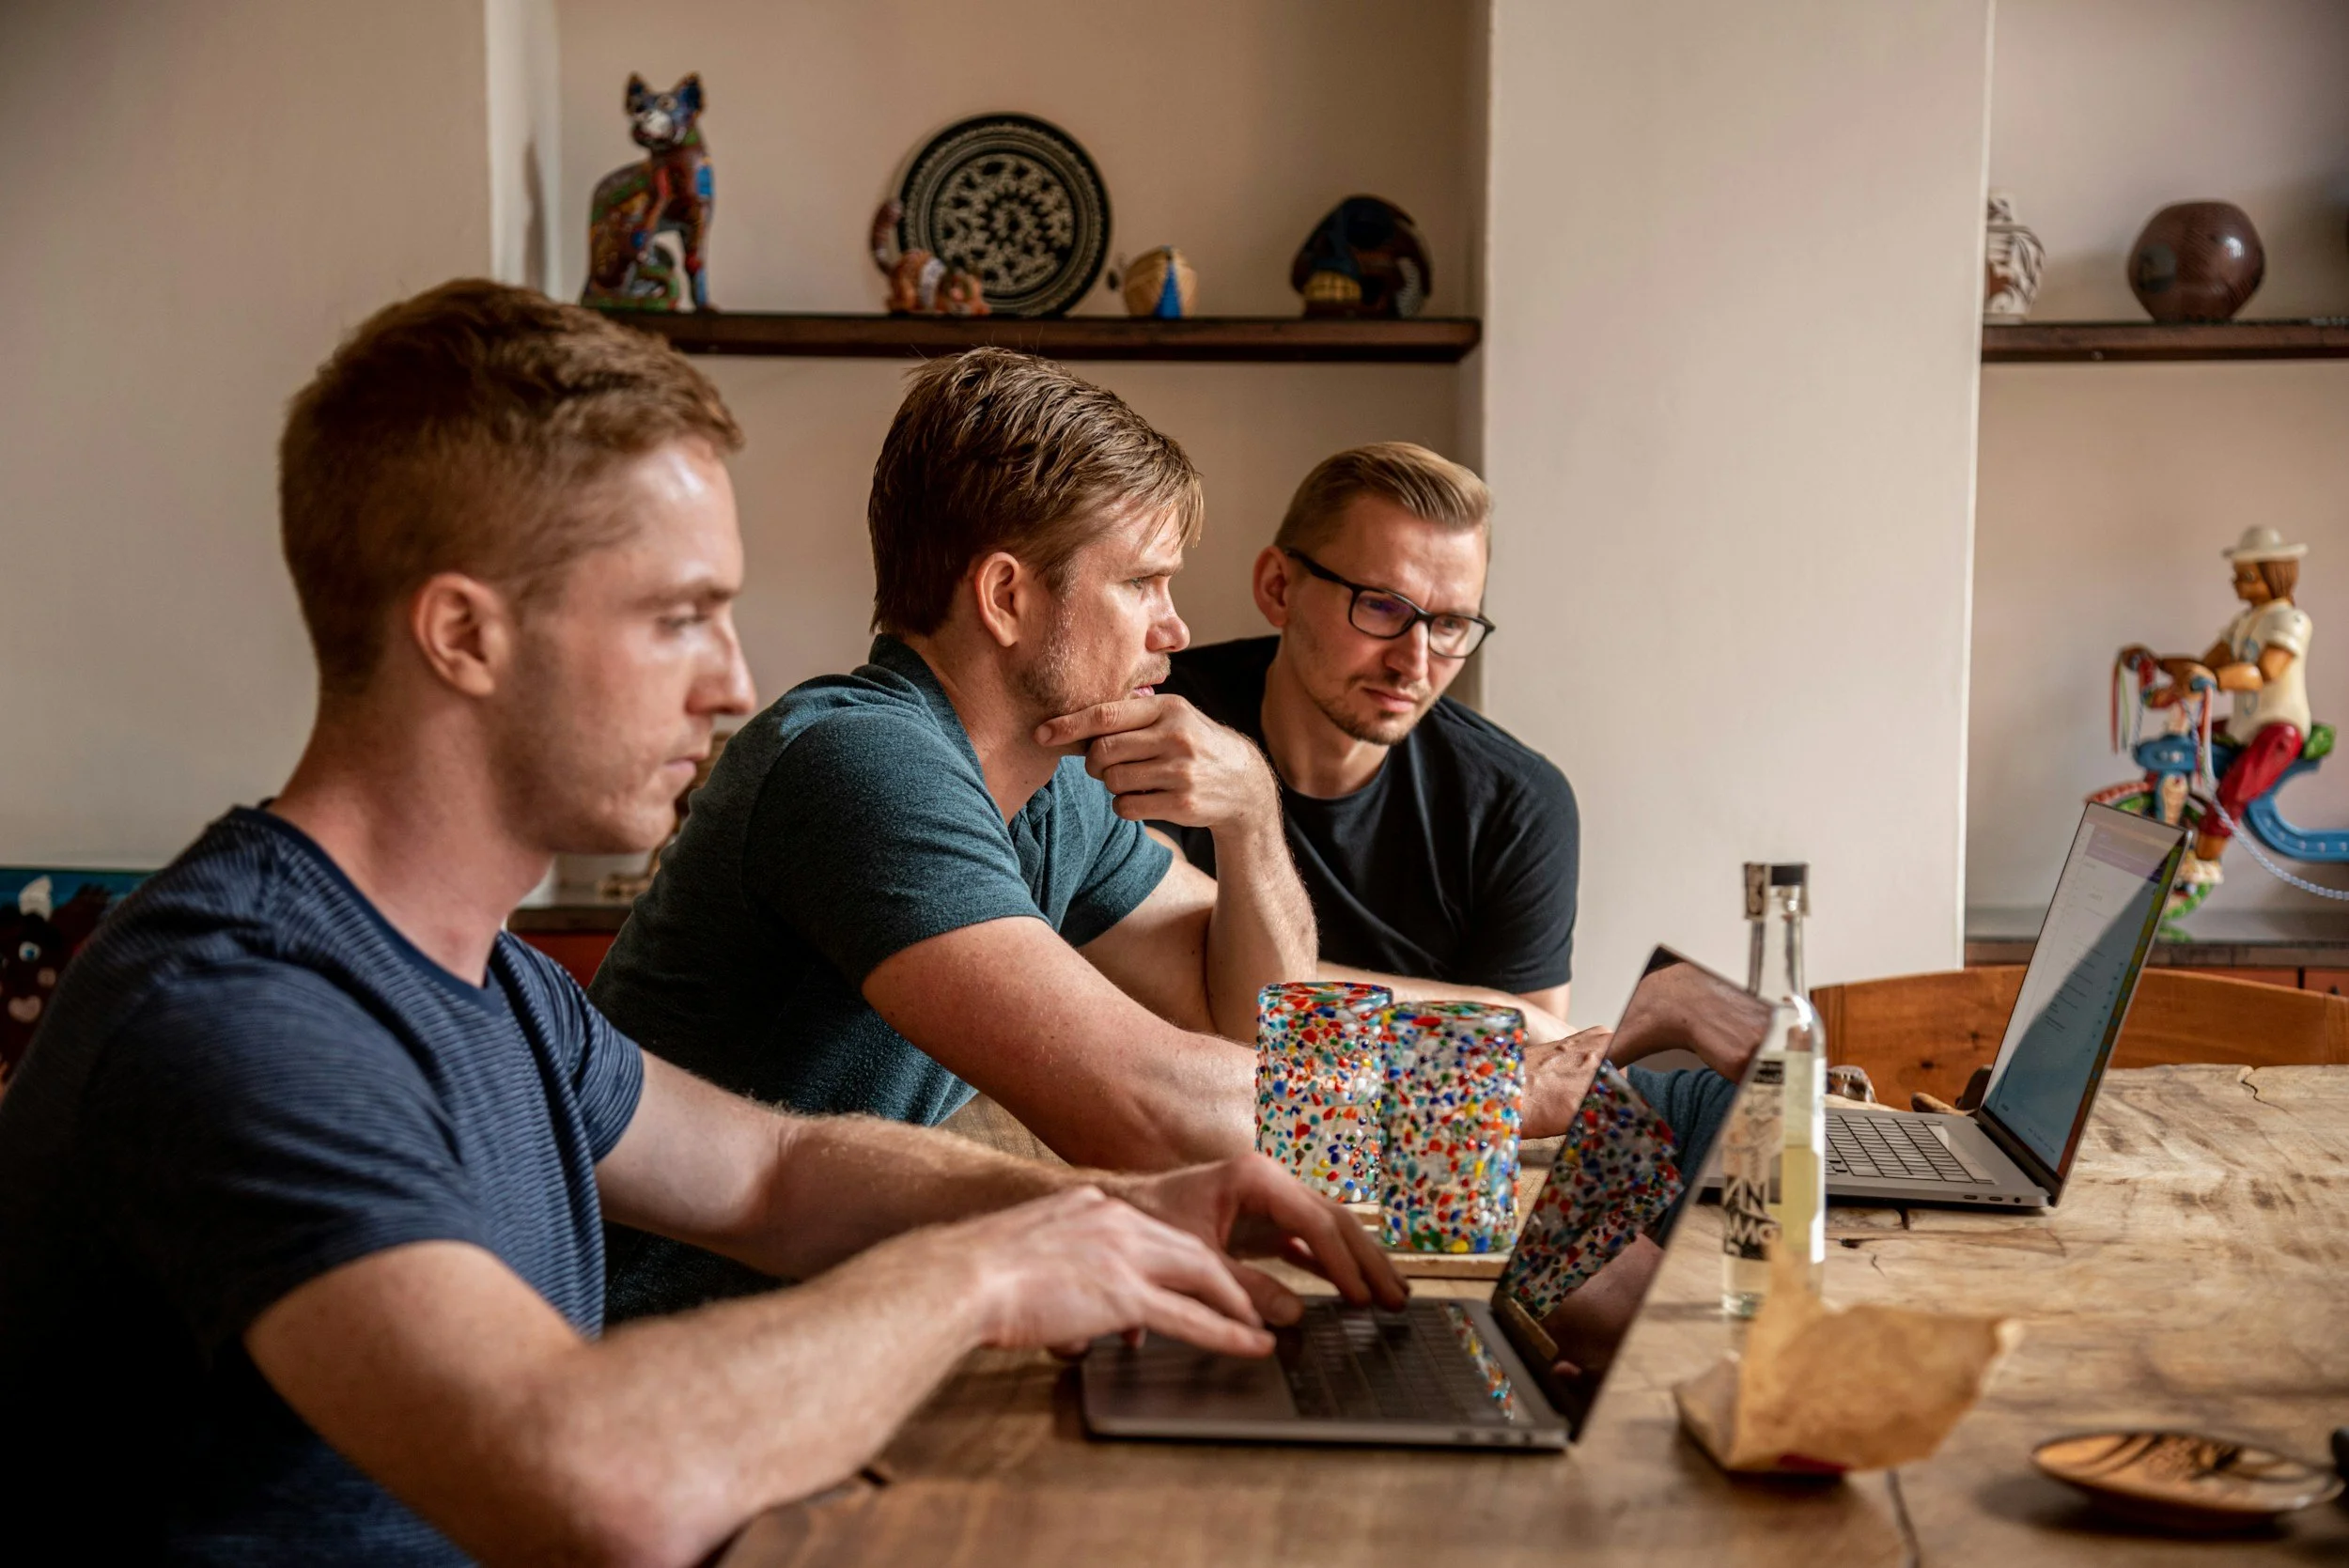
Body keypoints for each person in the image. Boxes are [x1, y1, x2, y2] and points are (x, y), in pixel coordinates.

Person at [0, 283, 1401, 1565]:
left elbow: (776, 1173)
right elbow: (586, 1468)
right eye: (679, 617)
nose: (735, 682)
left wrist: (1116, 1213)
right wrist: (993, 1267)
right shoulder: (246, 1013)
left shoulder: (482, 979)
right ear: (463, 635)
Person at [591, 355, 1611, 1318]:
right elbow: (1148, 1108)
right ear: (1005, 597)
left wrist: (1253, 817)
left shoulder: (1047, 794)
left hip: (840, 1323)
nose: (1172, 629)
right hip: (670, 1348)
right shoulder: (859, 764)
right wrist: (1504, 1091)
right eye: (1141, 584)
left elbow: (1255, 1032)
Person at [1157, 442, 1740, 1157]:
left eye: (1452, 623)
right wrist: (1489, 1014)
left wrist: (1288, 997)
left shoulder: (1519, 801)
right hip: (1181, 1146)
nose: (1416, 660)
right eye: (1381, 606)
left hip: (1422, 1167)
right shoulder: (1167, 725)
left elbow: (1531, 1082)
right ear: (1279, 586)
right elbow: (1174, 1011)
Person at [2174, 525, 2315, 888]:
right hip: (2245, 724)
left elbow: (2264, 671)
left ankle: (2206, 862)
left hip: (2279, 727)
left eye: (2247, 577)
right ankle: (2169, 805)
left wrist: (2214, 679)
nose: (2237, 584)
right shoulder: (2245, 621)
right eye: (2238, 576)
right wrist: (2165, 671)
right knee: (2187, 740)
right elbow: (2208, 661)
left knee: (2235, 788)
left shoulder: (2291, 621)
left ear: (2275, 576)